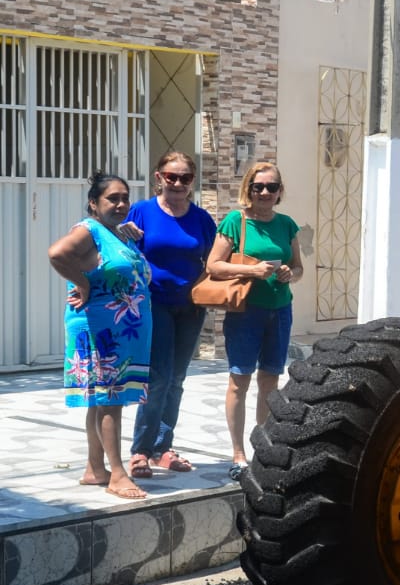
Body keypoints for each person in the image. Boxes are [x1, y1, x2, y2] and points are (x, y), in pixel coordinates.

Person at [48, 172, 153, 500]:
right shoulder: (88, 230)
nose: (121, 203)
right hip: (101, 330)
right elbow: (56, 254)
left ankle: (95, 467)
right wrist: (83, 283)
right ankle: (118, 474)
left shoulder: (112, 233)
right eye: (113, 198)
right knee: (112, 399)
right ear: (94, 203)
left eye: (125, 197)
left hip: (120, 329)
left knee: (101, 398)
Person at [205, 162, 303, 479]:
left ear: (279, 191)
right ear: (248, 188)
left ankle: (262, 448)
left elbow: (298, 267)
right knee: (239, 381)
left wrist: (290, 273)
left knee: (270, 382)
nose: (264, 192)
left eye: (271, 187)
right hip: (246, 312)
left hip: (279, 309)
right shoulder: (236, 221)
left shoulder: (287, 224)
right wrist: (251, 270)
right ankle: (238, 454)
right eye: (258, 187)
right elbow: (214, 266)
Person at [125, 152, 217, 479]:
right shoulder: (142, 212)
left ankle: (163, 447)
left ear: (192, 183)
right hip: (155, 304)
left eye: (185, 178)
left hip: (191, 307)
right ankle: (140, 450)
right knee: (159, 376)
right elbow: (124, 253)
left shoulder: (202, 219)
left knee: (177, 379)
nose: (177, 183)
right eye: (171, 176)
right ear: (158, 177)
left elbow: (214, 259)